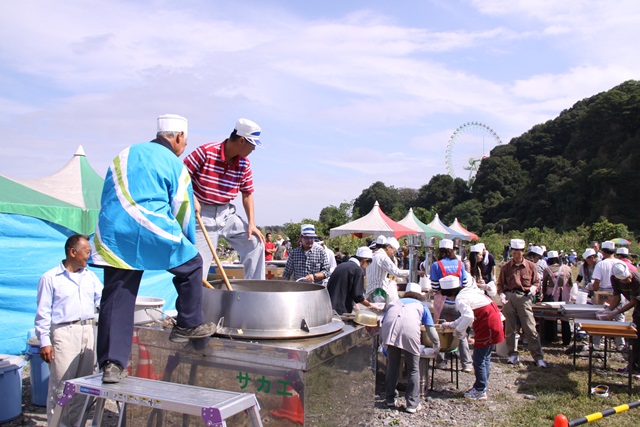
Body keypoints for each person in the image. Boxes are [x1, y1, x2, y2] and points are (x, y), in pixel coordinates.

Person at [92, 114, 216, 383]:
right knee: (192, 264)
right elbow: (182, 210)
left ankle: (112, 364)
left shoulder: (125, 153)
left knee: (118, 293)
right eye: (185, 140)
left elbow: (107, 191)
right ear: (179, 137)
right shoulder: (175, 163)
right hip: (151, 226)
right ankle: (188, 323)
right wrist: (187, 244)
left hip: (114, 230)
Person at [183, 118, 265, 281]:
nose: (254, 149)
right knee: (201, 265)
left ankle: (254, 293)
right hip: (202, 215)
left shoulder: (244, 164)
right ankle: (198, 303)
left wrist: (252, 223)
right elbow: (180, 176)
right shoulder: (206, 152)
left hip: (226, 213)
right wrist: (192, 197)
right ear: (242, 140)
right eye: (253, 144)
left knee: (256, 243)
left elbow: (247, 194)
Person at [35, 234, 103, 426]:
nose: (88, 257)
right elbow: (43, 313)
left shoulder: (90, 277)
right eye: (86, 252)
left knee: (83, 386)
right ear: (73, 252)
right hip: (65, 334)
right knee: (62, 387)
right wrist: (45, 341)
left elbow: (101, 299)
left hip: (88, 332)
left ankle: (77, 424)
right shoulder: (50, 278)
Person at [440, 276, 504, 401]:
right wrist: (452, 324)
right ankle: (482, 386)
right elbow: (466, 316)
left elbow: (468, 317)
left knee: (479, 359)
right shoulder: (468, 292)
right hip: (493, 319)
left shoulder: (460, 298)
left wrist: (458, 331)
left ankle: (480, 390)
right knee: (485, 357)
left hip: (487, 323)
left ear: (450, 293)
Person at [380, 282, 440, 413]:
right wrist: (437, 344)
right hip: (410, 333)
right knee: (413, 368)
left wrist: (383, 343)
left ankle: (390, 398)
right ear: (420, 296)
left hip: (389, 331)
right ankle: (412, 403)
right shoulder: (421, 306)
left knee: (392, 366)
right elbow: (431, 329)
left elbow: (384, 322)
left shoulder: (394, 303)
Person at [497, 238, 547, 367]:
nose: (516, 255)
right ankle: (512, 354)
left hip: (524, 297)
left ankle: (538, 356)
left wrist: (534, 288)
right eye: (514, 253)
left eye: (518, 253)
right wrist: (502, 294)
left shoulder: (531, 266)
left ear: (523, 252)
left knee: (530, 327)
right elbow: (500, 284)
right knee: (510, 328)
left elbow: (536, 282)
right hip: (509, 297)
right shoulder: (506, 267)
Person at [429, 239, 472, 371]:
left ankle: (440, 361)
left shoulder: (436, 265)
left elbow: (435, 285)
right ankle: (467, 364)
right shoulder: (460, 264)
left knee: (440, 330)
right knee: (461, 331)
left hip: (442, 301)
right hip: (458, 301)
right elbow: (465, 283)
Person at [599, 263, 640, 372]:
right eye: (625, 280)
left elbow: (633, 302)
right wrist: (608, 310)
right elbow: (617, 297)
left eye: (628, 278)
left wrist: (615, 313)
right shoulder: (615, 279)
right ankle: (633, 366)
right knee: (636, 339)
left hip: (637, 306)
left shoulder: (637, 280)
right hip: (638, 311)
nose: (628, 281)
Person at [592, 240, 626, 349]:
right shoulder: (621, 263)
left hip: (603, 291)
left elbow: (596, 281)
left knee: (600, 316)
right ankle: (620, 343)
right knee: (619, 317)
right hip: (619, 292)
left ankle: (596, 342)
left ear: (603, 252)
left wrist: (594, 291)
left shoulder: (601, 264)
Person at [327, 246, 374, 315]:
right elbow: (358, 296)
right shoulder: (358, 270)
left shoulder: (342, 265)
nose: (367, 266)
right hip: (340, 310)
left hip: (328, 305)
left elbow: (349, 288)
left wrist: (355, 305)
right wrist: (371, 305)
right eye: (368, 263)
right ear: (365, 260)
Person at [541, 250, 574, 346]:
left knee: (550, 317)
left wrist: (544, 295)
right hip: (565, 295)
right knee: (565, 318)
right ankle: (566, 340)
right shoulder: (567, 268)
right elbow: (571, 283)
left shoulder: (547, 269)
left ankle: (549, 338)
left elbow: (544, 284)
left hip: (552, 295)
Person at [365, 236, 409, 302]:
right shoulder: (383, 258)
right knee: (380, 310)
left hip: (369, 291)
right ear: (388, 247)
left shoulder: (373, 256)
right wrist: (413, 272)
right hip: (379, 291)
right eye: (393, 252)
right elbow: (397, 272)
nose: (393, 254)